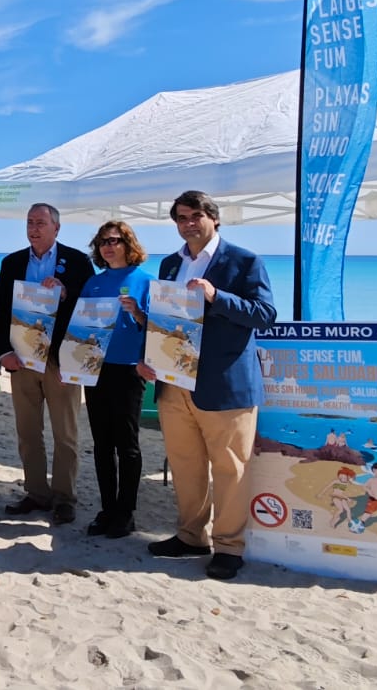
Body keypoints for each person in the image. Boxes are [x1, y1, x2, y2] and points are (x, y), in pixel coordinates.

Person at [140, 190, 276, 581]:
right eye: (181, 218)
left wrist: (217, 296)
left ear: (214, 218)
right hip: (174, 380)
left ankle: (229, 546)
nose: (188, 223)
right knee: (186, 466)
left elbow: (265, 315)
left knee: (231, 469)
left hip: (224, 383)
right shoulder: (169, 264)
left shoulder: (245, 261)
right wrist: (148, 355)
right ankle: (191, 535)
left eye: (195, 215)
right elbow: (165, 318)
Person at [0, 202, 95, 526]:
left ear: (57, 228)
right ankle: (37, 493)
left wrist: (67, 293)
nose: (33, 228)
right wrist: (2, 353)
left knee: (65, 434)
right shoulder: (12, 263)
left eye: (40, 222)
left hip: (61, 362)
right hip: (22, 360)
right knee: (27, 431)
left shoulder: (78, 262)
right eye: (29, 222)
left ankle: (64, 498)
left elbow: (91, 310)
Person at [79, 220, 153, 539]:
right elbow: (81, 328)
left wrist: (138, 313)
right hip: (95, 368)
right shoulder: (93, 283)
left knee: (127, 444)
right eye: (102, 242)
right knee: (101, 444)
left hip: (128, 369)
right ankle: (107, 509)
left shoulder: (146, 281)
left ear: (128, 244)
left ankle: (126, 512)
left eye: (114, 240)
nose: (108, 246)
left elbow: (164, 329)